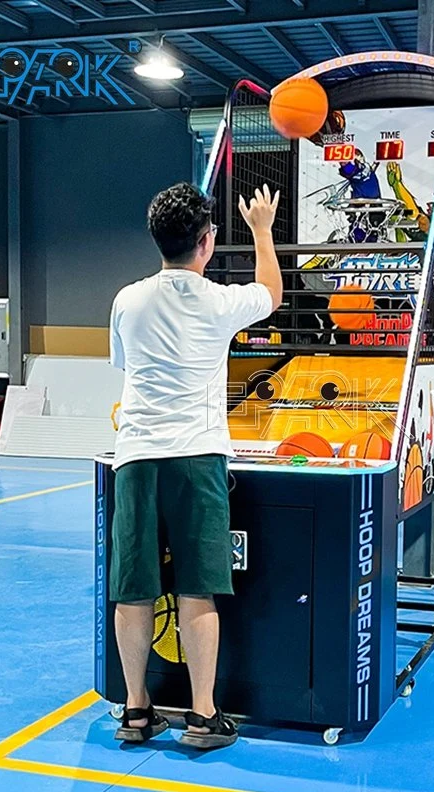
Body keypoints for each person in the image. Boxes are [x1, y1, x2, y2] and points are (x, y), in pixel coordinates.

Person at [108, 181, 282, 749]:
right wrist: (260, 230)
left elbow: (123, 366)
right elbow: (272, 293)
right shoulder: (219, 301)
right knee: (197, 589)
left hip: (136, 459)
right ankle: (203, 716)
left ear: (156, 239)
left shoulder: (126, 299)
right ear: (206, 243)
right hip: (197, 458)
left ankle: (136, 710)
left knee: (133, 589)